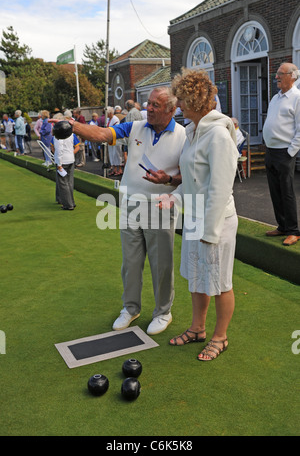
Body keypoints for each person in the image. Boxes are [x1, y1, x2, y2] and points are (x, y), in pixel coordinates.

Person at [60, 86, 186, 335]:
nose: (148, 108)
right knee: (130, 262)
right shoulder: (135, 126)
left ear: (171, 110)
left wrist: (168, 180)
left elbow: (189, 177)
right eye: (148, 103)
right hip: (130, 204)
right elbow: (101, 134)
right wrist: (72, 125)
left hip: (161, 206)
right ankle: (130, 308)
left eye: (155, 105)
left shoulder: (184, 136)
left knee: (161, 264)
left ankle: (163, 312)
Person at [158, 69, 238, 361]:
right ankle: (198, 329)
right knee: (196, 277)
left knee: (219, 282)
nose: (177, 105)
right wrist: (174, 197)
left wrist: (210, 232)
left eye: (180, 99)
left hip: (215, 222)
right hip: (193, 219)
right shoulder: (193, 131)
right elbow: (193, 181)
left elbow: (219, 188)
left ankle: (220, 337)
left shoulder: (217, 135)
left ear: (194, 101)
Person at [263, 63, 300, 246]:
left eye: (280, 74)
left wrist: (290, 151)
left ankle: (293, 230)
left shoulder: (297, 97)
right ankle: (282, 226)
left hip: (284, 152)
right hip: (270, 151)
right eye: (277, 73)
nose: (276, 77)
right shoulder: (276, 98)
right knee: (275, 191)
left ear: (292, 76)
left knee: (286, 192)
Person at [50, 115, 81, 210]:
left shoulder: (58, 137)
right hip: (71, 160)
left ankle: (68, 204)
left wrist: (59, 164)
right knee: (69, 182)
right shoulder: (71, 134)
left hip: (63, 161)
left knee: (63, 183)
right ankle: (71, 202)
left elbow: (58, 151)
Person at [106, 106, 122, 176]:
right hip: (110, 139)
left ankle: (120, 169)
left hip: (116, 138)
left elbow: (116, 129)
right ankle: (114, 169)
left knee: (117, 153)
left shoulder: (116, 119)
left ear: (110, 113)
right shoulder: (108, 119)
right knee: (112, 154)